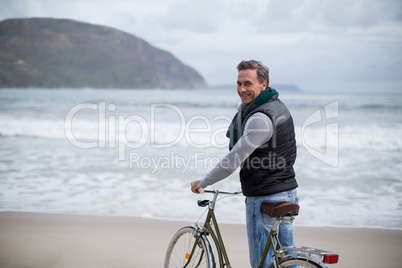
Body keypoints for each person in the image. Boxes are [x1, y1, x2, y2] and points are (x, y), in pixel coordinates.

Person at [191, 60, 299, 268]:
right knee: (288, 260)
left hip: (265, 197)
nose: (242, 89)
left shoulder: (259, 118)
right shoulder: (276, 106)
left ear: (263, 85)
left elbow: (232, 161)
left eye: (248, 84)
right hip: (287, 191)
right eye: (239, 84)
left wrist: (204, 182)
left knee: (262, 263)